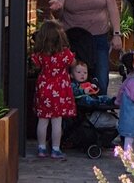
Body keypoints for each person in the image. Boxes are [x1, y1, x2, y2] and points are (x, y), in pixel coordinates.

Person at [49, 0, 122, 95]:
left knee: (101, 78)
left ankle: (97, 111)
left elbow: (112, 7)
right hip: (74, 38)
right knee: (75, 77)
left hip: (99, 36)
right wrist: (56, 8)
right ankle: (75, 112)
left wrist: (116, 33)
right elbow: (59, 10)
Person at [30, 19, 77, 160]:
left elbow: (36, 66)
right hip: (60, 89)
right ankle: (56, 149)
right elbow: (73, 63)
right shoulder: (65, 53)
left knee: (43, 121)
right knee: (57, 121)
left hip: (44, 88)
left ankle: (41, 147)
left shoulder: (41, 54)